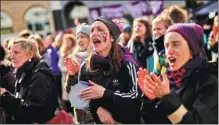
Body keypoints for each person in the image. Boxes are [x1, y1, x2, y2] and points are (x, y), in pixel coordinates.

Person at [137, 23, 218, 124]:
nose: (169, 51)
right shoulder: (166, 81)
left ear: (192, 50)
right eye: (166, 46)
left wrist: (167, 98)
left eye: (176, 45)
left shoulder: (209, 81)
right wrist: (151, 100)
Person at [75, 17, 141, 124]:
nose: (94, 33)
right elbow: (81, 98)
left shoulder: (127, 62)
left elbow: (136, 98)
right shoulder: (86, 65)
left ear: (111, 37)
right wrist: (96, 109)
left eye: (100, 30)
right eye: (92, 30)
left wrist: (105, 93)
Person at [0, 38, 59, 123]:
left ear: (30, 54)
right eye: (10, 53)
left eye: (16, 52)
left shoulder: (40, 75)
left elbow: (35, 111)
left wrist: (5, 96)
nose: (11, 56)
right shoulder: (24, 72)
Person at [65, 23, 94, 124]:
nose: (79, 40)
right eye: (77, 37)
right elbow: (70, 91)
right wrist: (72, 75)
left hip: (94, 115)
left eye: (82, 37)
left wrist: (77, 74)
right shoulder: (75, 58)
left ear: (91, 38)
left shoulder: (96, 58)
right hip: (80, 116)